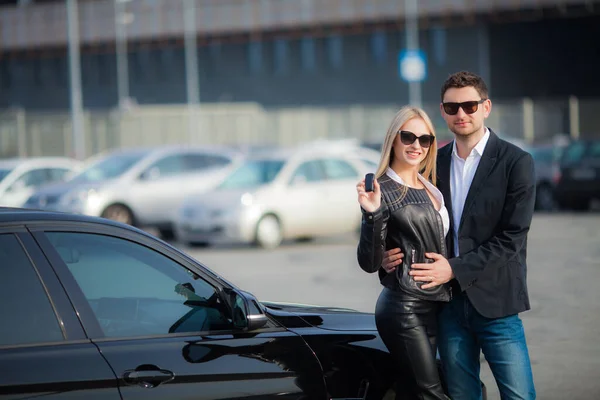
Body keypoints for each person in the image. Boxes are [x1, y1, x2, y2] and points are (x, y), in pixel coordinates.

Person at [382, 71, 537, 400]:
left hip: (498, 304)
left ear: (486, 107)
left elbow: (512, 238)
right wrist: (386, 254)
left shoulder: (516, 162)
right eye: (452, 108)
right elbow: (407, 219)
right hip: (447, 305)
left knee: (520, 396)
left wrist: (454, 268)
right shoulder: (432, 163)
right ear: (443, 111)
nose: (461, 114)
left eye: (469, 105)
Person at [356, 106, 451, 400]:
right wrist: (371, 214)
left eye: (425, 140)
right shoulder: (381, 189)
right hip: (402, 307)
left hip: (435, 305)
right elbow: (369, 262)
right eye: (408, 136)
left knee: (411, 391)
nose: (416, 145)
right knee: (431, 392)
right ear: (393, 139)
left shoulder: (432, 189)